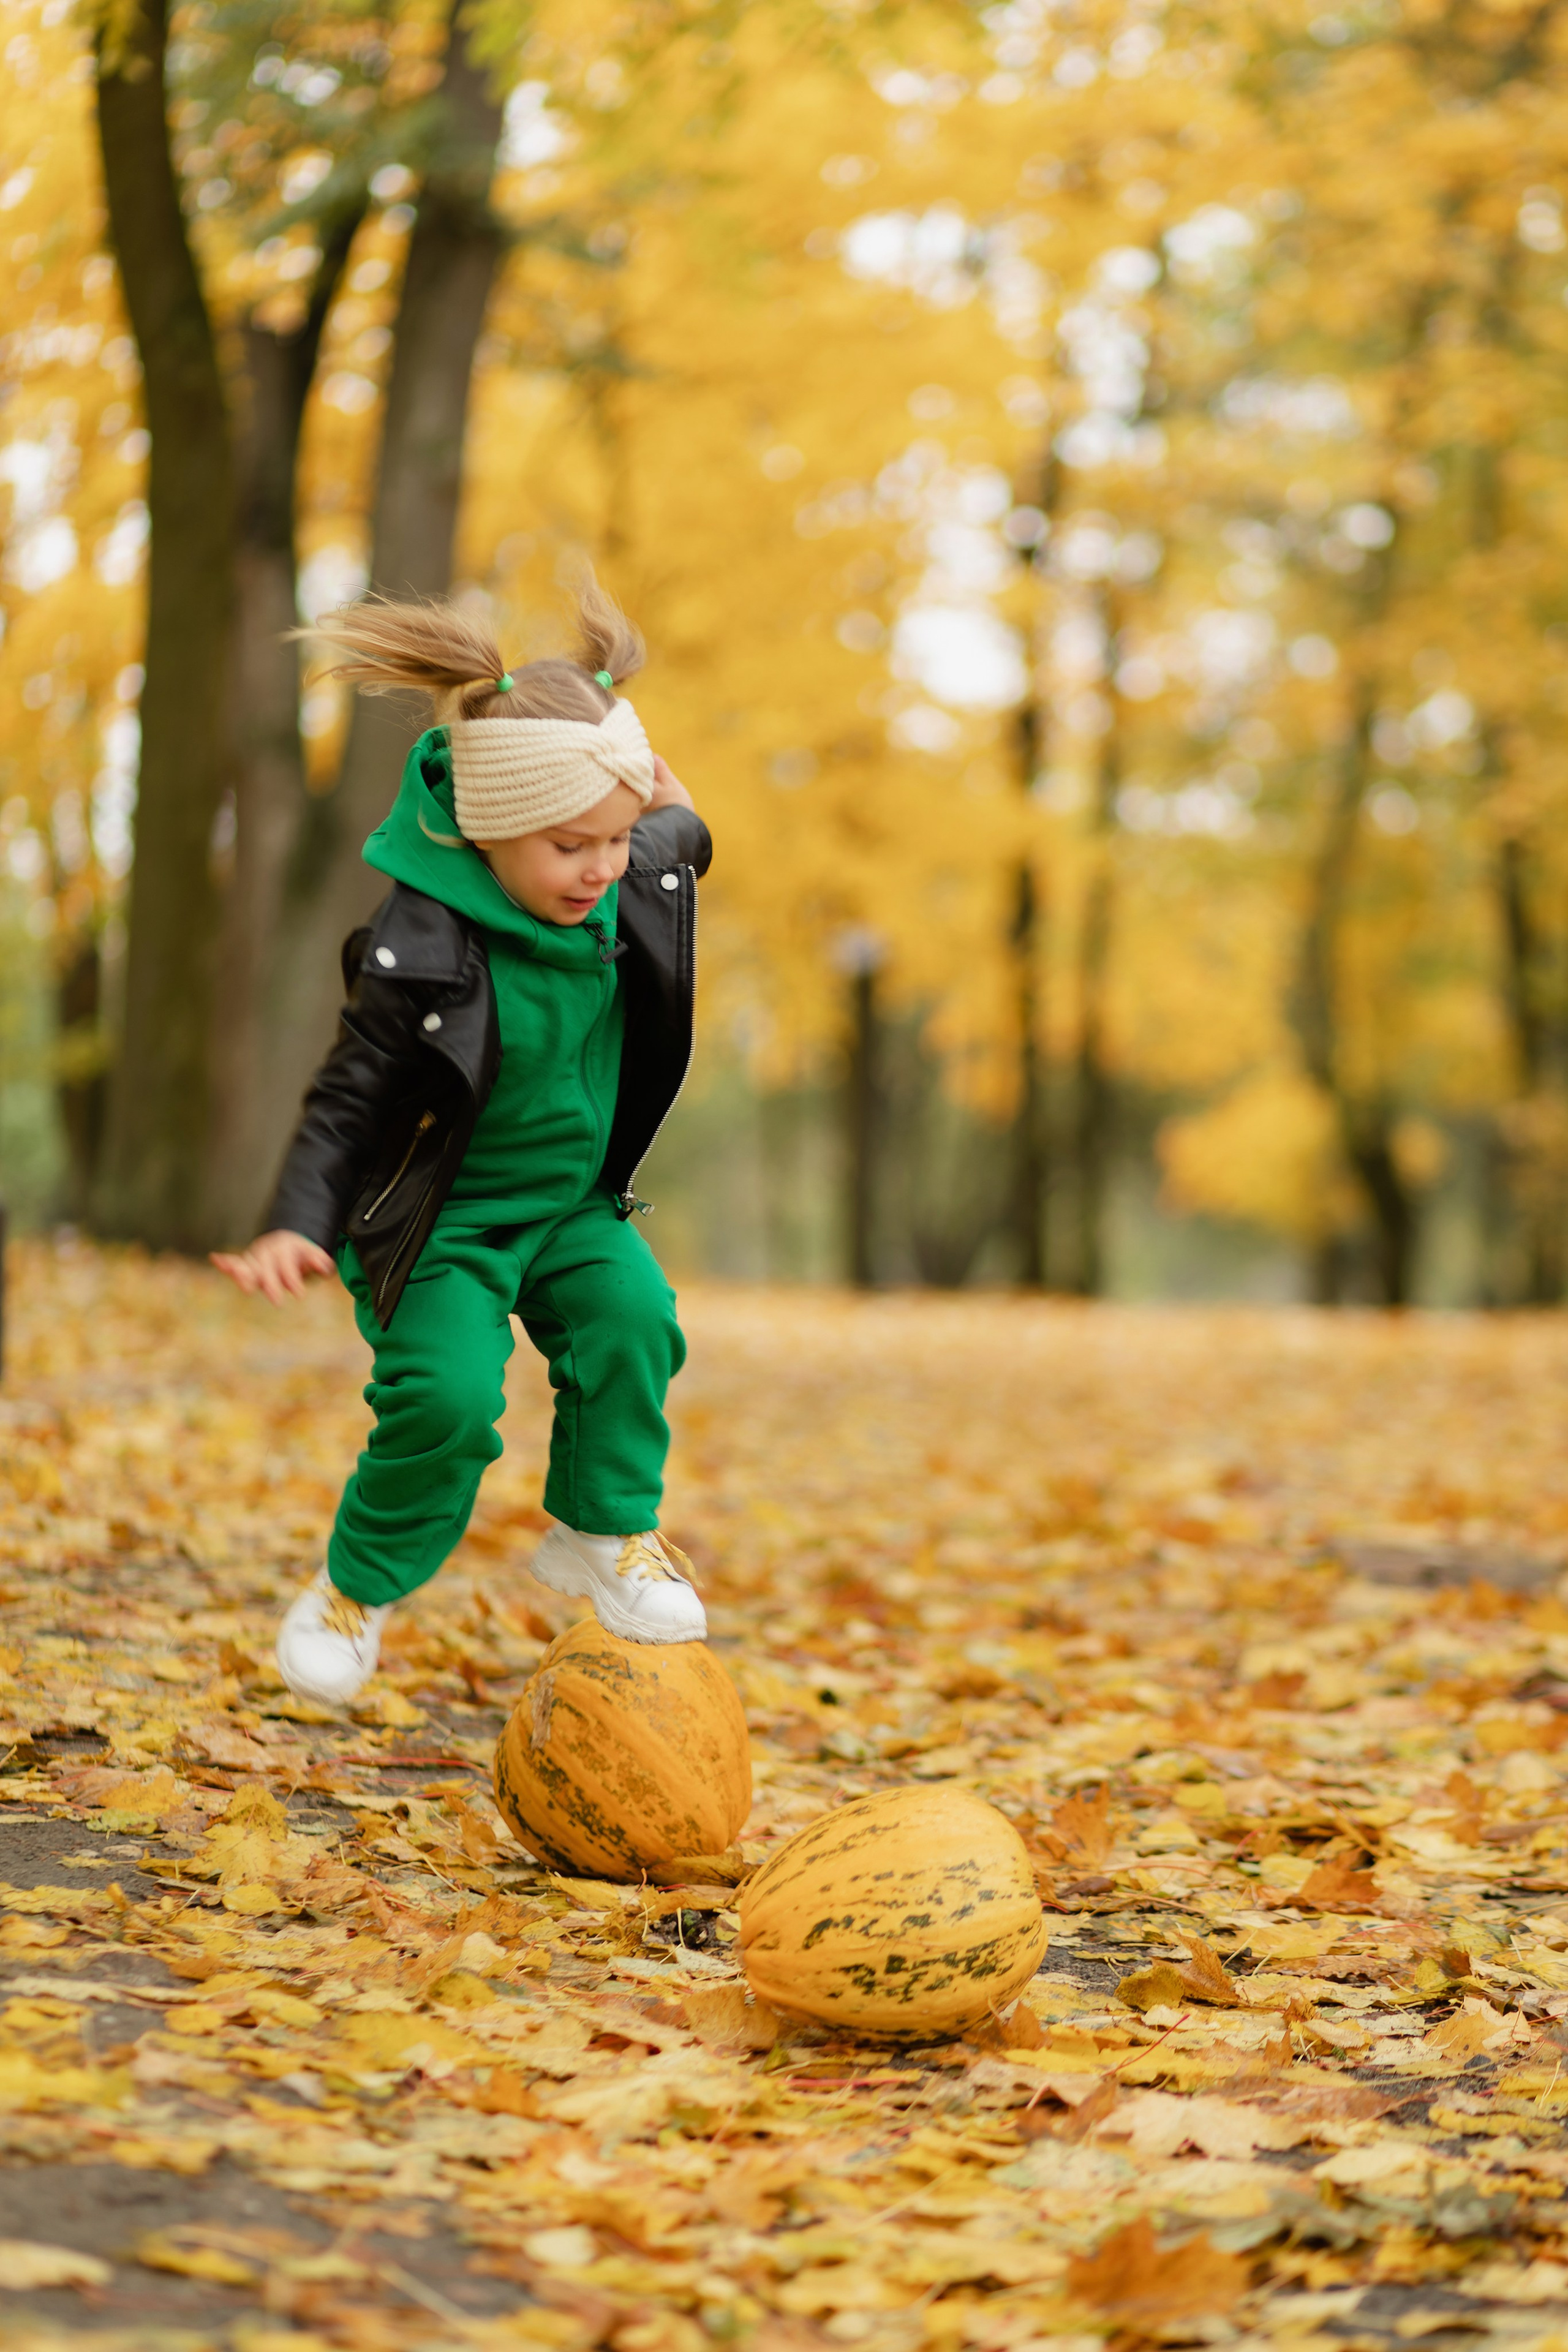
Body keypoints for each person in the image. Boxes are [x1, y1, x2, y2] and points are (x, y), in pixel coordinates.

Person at [212, 579, 710, 1709]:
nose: (601, 869)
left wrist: (670, 816)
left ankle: (602, 1531)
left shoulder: (624, 871)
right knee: (441, 1405)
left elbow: (678, 840)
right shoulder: (419, 951)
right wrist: (297, 1220)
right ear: (487, 832)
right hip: (441, 1227)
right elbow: (345, 1101)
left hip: (572, 1211)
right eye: (571, 846)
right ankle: (354, 1587)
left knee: (637, 1321)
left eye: (619, 840)